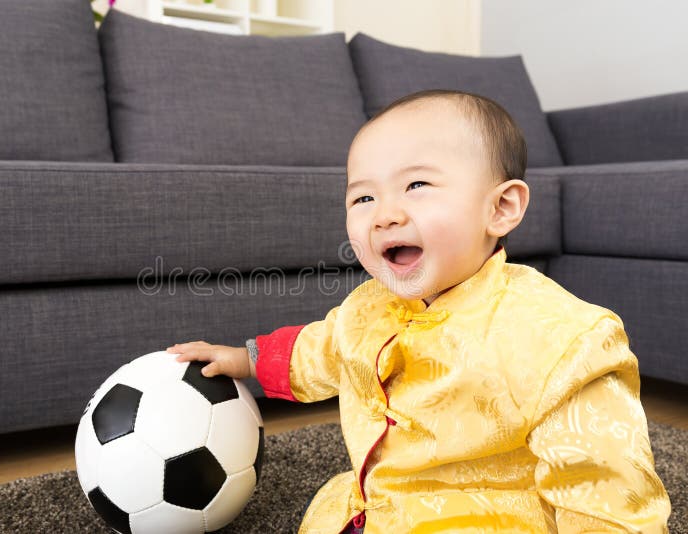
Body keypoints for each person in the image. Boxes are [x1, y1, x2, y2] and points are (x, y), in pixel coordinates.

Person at [166, 89, 671, 533]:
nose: (385, 214)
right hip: (377, 505)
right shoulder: (367, 307)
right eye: (363, 196)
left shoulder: (561, 341)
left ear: (501, 208)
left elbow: (606, 487)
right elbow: (324, 348)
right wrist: (246, 359)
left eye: (417, 186)